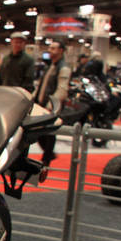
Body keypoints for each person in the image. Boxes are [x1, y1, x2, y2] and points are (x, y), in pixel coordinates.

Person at [33, 39, 72, 167]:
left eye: (53, 48)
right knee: (39, 132)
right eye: (49, 48)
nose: (50, 50)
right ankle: (49, 155)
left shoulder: (64, 68)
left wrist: (51, 105)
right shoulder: (50, 66)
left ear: (61, 51)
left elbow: (62, 89)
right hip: (42, 104)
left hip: (51, 106)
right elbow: (41, 85)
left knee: (49, 133)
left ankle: (47, 159)